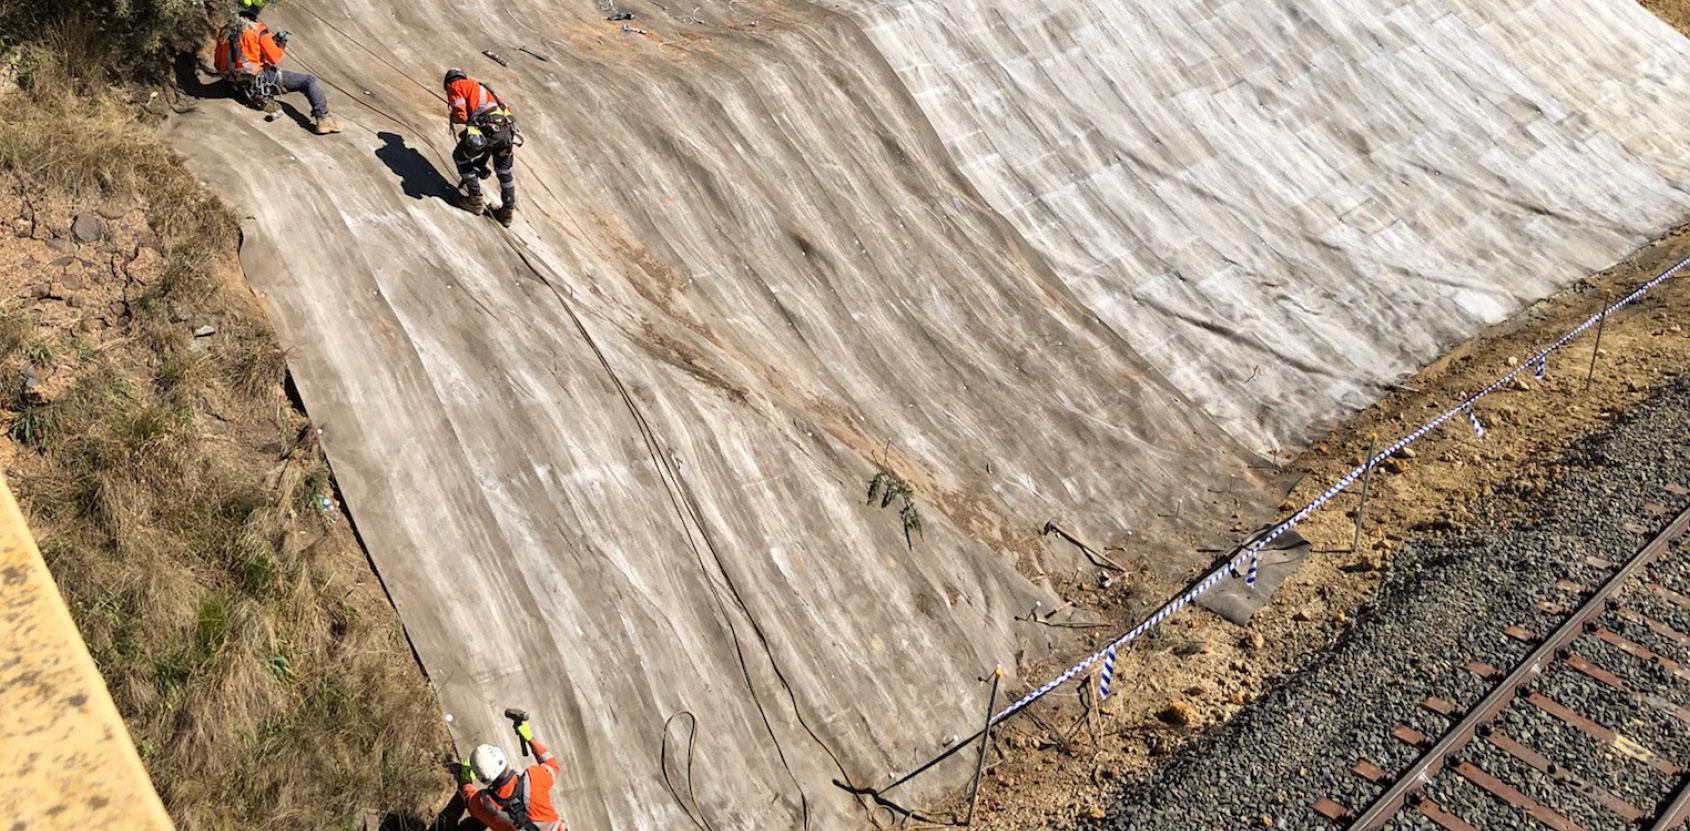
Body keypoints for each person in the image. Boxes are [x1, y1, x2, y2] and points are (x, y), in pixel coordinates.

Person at [213, 0, 343, 134]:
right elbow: (274, 58)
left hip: (233, 81)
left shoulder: (225, 30)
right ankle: (323, 119)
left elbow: (218, 64)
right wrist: (280, 44)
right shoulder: (258, 30)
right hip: (256, 81)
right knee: (309, 81)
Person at [458, 712, 567, 831]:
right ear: (502, 757)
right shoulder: (533, 779)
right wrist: (529, 737)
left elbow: (469, 799)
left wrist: (466, 780)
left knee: (472, 824)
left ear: (482, 778)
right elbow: (551, 764)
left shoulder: (484, 805)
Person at [444, 68, 521, 226]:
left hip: (489, 129)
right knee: (504, 171)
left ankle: (475, 199)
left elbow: (461, 116)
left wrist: (454, 116)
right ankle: (506, 212)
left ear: (449, 82)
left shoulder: (456, 86)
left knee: (461, 157)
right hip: (507, 132)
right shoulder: (485, 88)